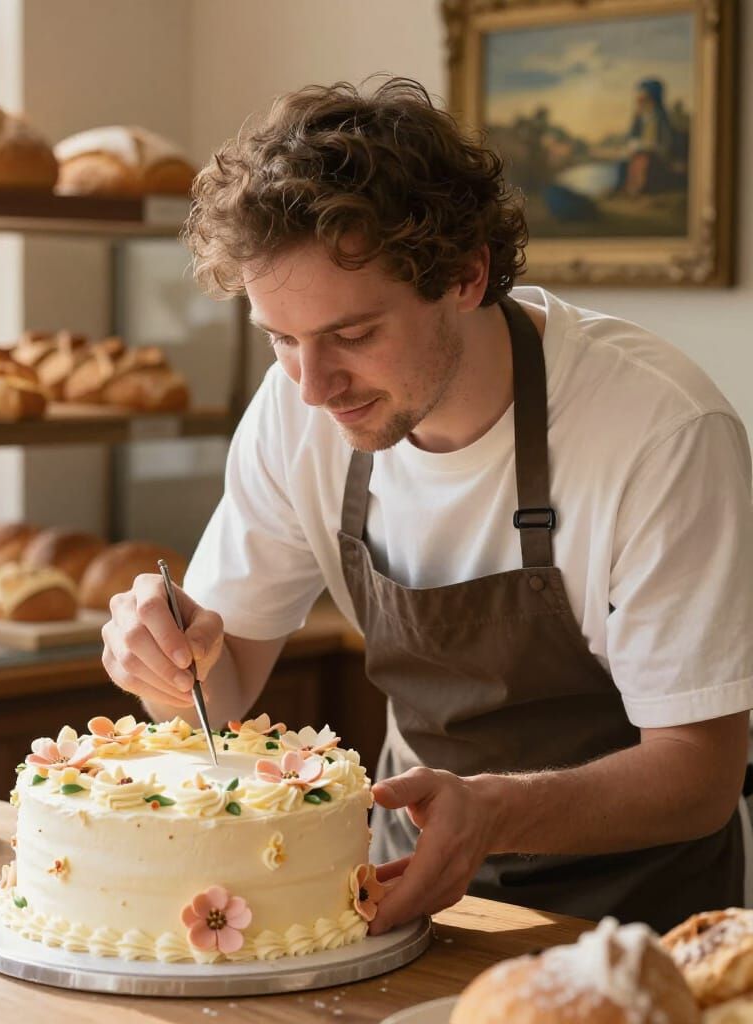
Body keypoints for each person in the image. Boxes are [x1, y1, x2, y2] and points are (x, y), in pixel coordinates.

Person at [100, 77, 753, 933]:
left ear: (467, 275)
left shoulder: (659, 430)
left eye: (354, 335)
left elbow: (700, 776)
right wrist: (164, 661)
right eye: (280, 339)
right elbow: (218, 700)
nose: (313, 387)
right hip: (406, 902)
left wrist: (493, 814)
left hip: (638, 927)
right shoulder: (297, 412)